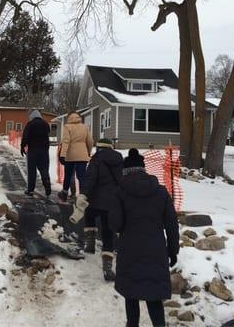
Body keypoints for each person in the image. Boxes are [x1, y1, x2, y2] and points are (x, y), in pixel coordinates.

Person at [108, 148, 180, 327]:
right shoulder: (161, 191)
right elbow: (172, 224)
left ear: (125, 171)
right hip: (156, 250)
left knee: (131, 295)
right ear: (144, 169)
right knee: (153, 295)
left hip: (129, 250)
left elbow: (115, 224)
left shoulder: (119, 192)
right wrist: (173, 250)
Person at [70, 138, 123, 281]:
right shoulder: (119, 160)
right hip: (112, 203)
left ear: (99, 148)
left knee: (89, 216)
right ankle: (107, 268)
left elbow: (90, 179)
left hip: (95, 200)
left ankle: (90, 245)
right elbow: (122, 181)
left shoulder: (96, 160)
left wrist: (83, 194)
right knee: (107, 232)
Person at [59, 111, 93, 202]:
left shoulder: (67, 127)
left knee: (68, 175)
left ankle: (64, 193)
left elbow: (66, 141)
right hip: (82, 156)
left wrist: (63, 155)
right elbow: (90, 141)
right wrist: (88, 152)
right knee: (81, 176)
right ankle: (83, 196)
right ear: (78, 117)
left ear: (69, 118)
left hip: (70, 156)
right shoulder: (85, 127)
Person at [20, 109, 52, 197]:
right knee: (44, 168)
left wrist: (22, 146)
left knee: (32, 170)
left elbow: (25, 136)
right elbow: (48, 133)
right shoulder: (45, 124)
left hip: (32, 151)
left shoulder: (30, 124)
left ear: (32, 116)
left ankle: (30, 189)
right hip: (44, 150)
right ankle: (47, 183)